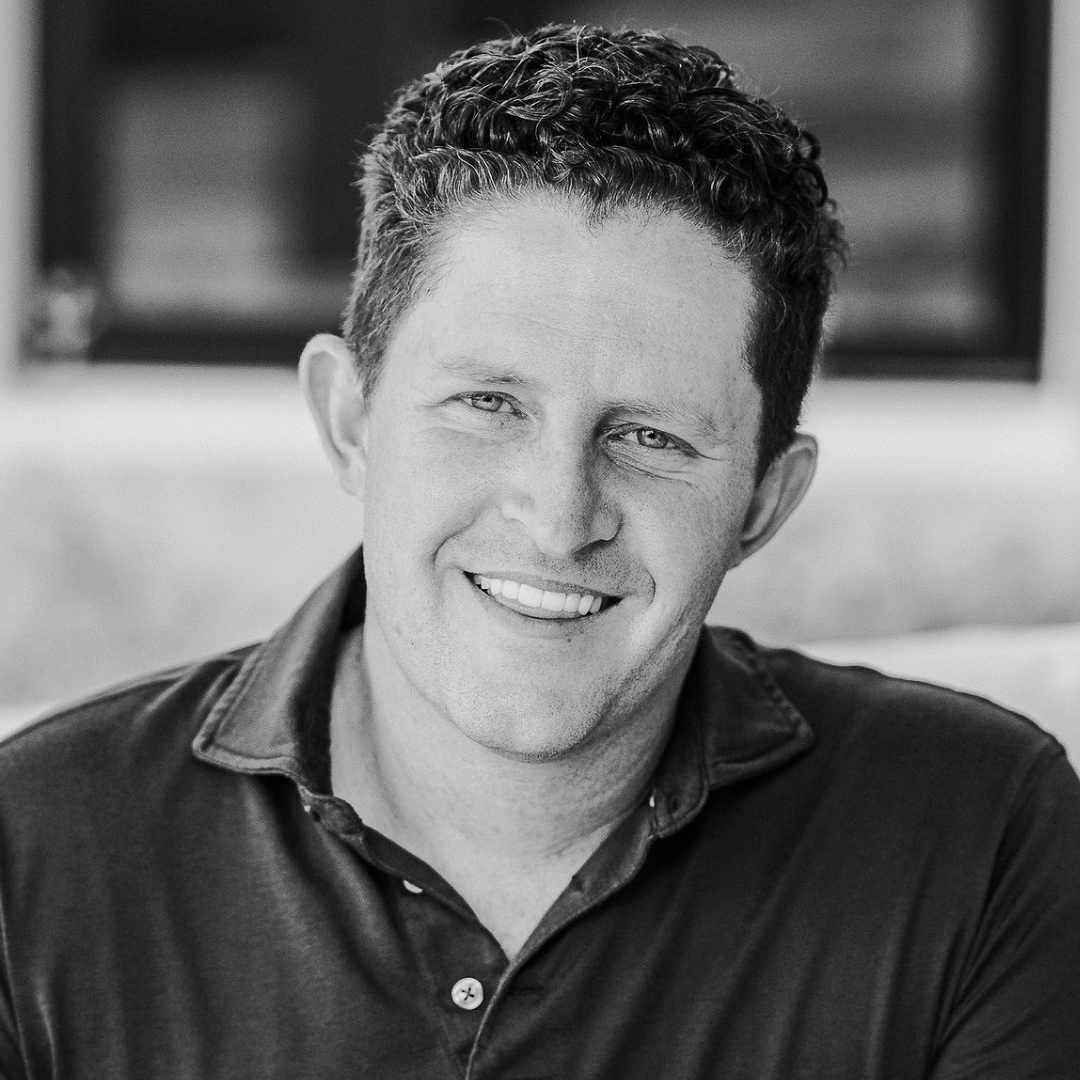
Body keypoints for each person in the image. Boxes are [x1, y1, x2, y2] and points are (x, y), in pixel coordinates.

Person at [1, 23, 1078, 1079]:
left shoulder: (979, 836)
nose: (561, 519)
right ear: (350, 420)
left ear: (764, 500)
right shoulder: (33, 852)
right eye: (488, 403)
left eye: (650, 437)